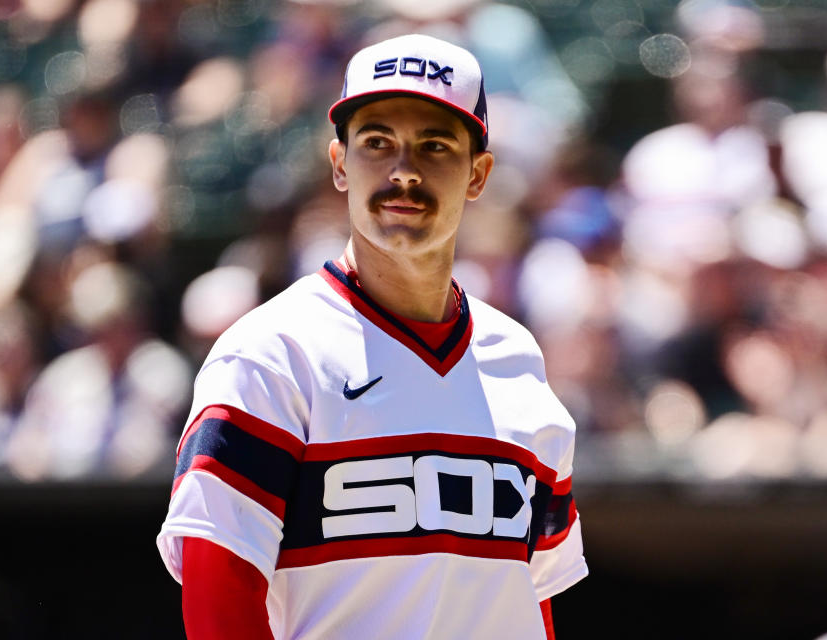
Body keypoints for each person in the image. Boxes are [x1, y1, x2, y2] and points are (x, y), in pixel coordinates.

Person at [158, 34, 588, 639]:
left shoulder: (517, 359)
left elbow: (531, 598)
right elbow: (218, 595)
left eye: (435, 146)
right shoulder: (271, 354)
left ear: (478, 174)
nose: (404, 172)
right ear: (339, 164)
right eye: (377, 143)